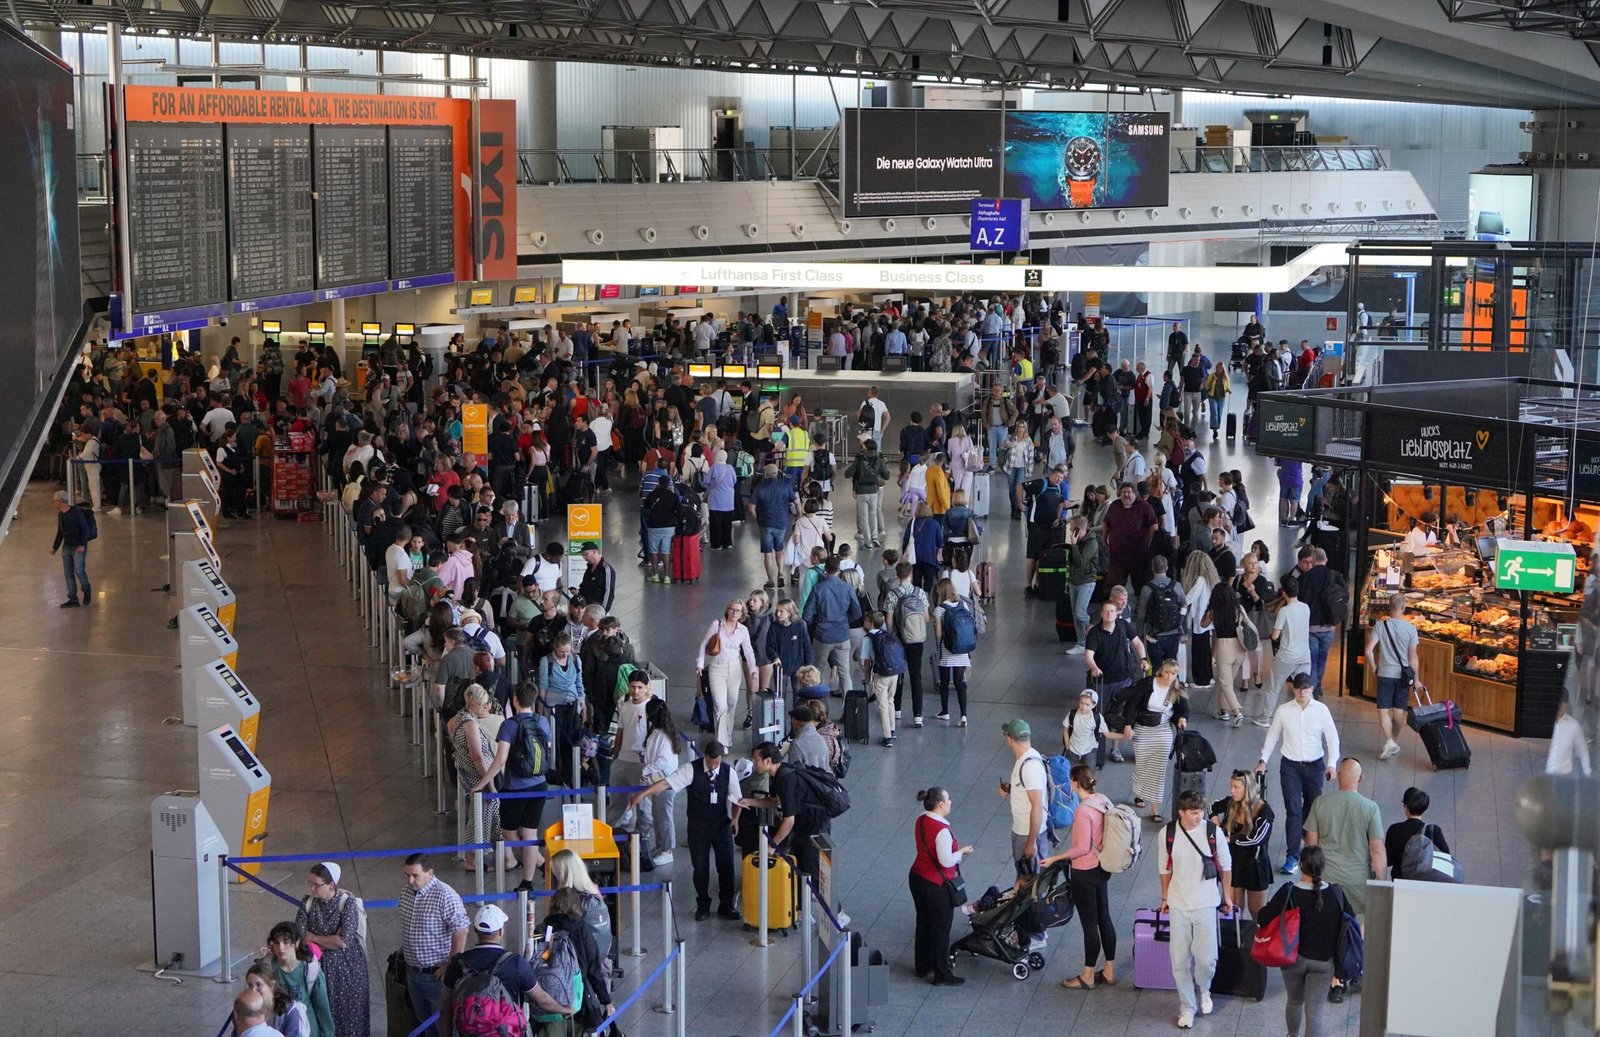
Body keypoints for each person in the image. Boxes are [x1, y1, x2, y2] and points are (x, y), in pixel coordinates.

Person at [632, 738, 743, 921]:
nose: (714, 766)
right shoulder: (691, 769)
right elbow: (667, 783)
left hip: (721, 824)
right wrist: (643, 794)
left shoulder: (728, 772)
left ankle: (726, 905)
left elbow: (737, 799)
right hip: (698, 825)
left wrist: (736, 819)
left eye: (717, 762)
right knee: (700, 867)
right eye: (710, 762)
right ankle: (703, 905)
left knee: (726, 865)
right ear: (705, 756)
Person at [1302, 758, 1384, 1001]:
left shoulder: (1320, 803)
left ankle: (1335, 982)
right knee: (1360, 925)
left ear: (1337, 776)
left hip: (1328, 879)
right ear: (1361, 778)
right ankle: (1356, 968)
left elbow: (1311, 845)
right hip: (1359, 879)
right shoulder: (1370, 808)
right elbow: (1377, 850)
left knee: (1332, 927)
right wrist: (1381, 880)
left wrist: (1308, 878)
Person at [1158, 790, 1234, 1029]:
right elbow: (1164, 868)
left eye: (1200, 811)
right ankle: (1187, 1007)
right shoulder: (1167, 834)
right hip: (1179, 903)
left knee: (1207, 958)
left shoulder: (1213, 832)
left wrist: (1227, 896)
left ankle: (1204, 988)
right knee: (1179, 960)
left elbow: (1226, 864)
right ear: (1181, 812)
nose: (1198, 816)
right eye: (1193, 813)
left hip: (1206, 903)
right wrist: (1165, 897)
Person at [1256, 846, 1349, 1037]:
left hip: (1293, 959)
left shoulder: (1289, 892)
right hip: (1324, 963)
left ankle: (1292, 1035)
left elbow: (1262, 917)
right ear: (1323, 867)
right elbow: (1349, 921)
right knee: (1315, 1014)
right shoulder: (1336, 893)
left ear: (1301, 866)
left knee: (1295, 1001)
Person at [471, 681, 554, 890]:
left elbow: (500, 760)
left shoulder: (509, 725)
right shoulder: (543, 722)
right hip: (539, 785)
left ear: (515, 700)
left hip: (515, 788)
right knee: (530, 835)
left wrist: (481, 783)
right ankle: (530, 879)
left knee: (508, 832)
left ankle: (542, 866)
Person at [1040, 765, 1118, 990]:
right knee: (1104, 918)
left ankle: (1088, 975)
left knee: (1089, 924)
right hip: (1102, 867)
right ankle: (1110, 971)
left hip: (1085, 872)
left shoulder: (1083, 810)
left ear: (1074, 783)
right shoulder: (1102, 800)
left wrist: (1057, 858)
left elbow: (1082, 848)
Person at [1255, 673, 1341, 876]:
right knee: (1293, 810)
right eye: (1299, 688)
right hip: (1290, 766)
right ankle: (1293, 855)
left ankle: (1305, 835)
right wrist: (1263, 760)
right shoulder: (1284, 711)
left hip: (1315, 766)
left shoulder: (1321, 711)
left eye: (1306, 688)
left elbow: (1332, 738)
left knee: (1312, 809)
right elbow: (1273, 735)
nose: (1302, 692)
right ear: (1294, 689)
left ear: (1312, 689)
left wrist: (1331, 764)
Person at [439, 904, 566, 1034]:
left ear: (476, 931)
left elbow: (446, 1009)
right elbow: (542, 1000)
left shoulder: (458, 963)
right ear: (501, 931)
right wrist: (564, 1009)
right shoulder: (516, 963)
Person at [909, 785, 975, 986]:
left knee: (924, 922)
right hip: (935, 885)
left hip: (917, 877)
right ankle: (941, 972)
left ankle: (922, 966)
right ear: (940, 804)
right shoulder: (942, 831)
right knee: (941, 928)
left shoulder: (922, 819)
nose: (950, 802)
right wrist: (962, 851)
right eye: (948, 800)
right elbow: (946, 861)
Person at [294, 863, 369, 1037]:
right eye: (310, 883)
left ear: (331, 885)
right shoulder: (307, 903)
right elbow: (299, 935)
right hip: (316, 967)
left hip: (347, 971)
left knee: (349, 1013)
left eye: (317, 885)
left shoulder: (347, 903)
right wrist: (329, 939)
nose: (312, 888)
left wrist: (312, 936)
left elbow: (343, 941)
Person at [399, 852, 469, 1035]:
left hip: (436, 977)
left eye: (415, 876)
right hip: (413, 972)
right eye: (407, 875)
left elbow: (461, 930)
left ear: (430, 873)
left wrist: (450, 964)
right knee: (424, 1023)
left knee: (443, 1025)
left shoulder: (445, 895)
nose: (410, 881)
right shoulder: (406, 892)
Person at [1115, 657, 1190, 823]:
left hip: (1163, 730)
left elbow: (1183, 709)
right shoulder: (1148, 683)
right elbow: (1132, 704)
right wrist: (1128, 724)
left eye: (1173, 673)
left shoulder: (1176, 690)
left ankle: (1155, 808)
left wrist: (1182, 719)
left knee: (1159, 769)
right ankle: (1139, 793)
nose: (1170, 676)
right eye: (1167, 672)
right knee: (1142, 763)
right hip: (1142, 728)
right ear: (1160, 672)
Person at [748, 740, 830, 882]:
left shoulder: (786, 780)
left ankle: (815, 900)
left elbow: (789, 821)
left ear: (768, 761)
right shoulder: (777, 775)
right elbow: (774, 801)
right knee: (799, 865)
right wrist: (748, 801)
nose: (754, 762)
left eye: (756, 759)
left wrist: (772, 846)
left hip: (814, 825)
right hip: (804, 824)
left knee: (810, 869)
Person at [697, 598, 760, 751]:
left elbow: (748, 651)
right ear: (727, 610)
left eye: (738, 610)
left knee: (731, 703)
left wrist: (753, 668)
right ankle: (721, 743)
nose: (734, 613)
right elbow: (704, 643)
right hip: (717, 668)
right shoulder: (717, 625)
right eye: (732, 609)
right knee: (720, 706)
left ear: (741, 613)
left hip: (734, 669)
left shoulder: (742, 630)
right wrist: (699, 663)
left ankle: (727, 737)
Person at [1210, 771, 1275, 917]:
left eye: (1236, 787)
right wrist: (1215, 820)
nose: (1232, 791)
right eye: (1231, 786)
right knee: (1234, 908)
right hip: (1234, 863)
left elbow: (1258, 838)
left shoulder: (1263, 810)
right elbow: (1211, 806)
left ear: (1248, 788)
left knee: (1257, 911)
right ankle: (1236, 938)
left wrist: (1230, 839)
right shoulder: (1231, 803)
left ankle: (1257, 938)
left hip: (1255, 866)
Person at [1365, 593, 1420, 761]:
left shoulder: (1380, 626)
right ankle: (1393, 741)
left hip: (1385, 674)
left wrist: (1374, 668)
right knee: (1399, 711)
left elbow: (1368, 651)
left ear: (1389, 607)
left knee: (1383, 710)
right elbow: (1412, 658)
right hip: (1403, 676)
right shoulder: (1411, 629)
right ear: (1403, 608)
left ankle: (1390, 741)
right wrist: (1416, 679)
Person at [998, 720, 1049, 898]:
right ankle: (1027, 921)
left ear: (1010, 739)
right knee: (1025, 879)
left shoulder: (1030, 767)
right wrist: (1011, 789)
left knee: (1029, 882)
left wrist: (1031, 842)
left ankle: (1034, 923)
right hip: (1023, 830)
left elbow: (1037, 806)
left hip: (1028, 834)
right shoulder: (1026, 758)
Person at [802, 556, 862, 698]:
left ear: (825, 569)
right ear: (838, 570)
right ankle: (848, 710)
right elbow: (857, 612)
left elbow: (807, 615)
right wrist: (845, 621)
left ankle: (819, 708)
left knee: (819, 671)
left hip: (823, 635)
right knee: (844, 673)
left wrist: (816, 622)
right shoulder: (847, 587)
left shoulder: (819, 588)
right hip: (842, 635)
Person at [264, 922, 334, 1037]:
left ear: (296, 942)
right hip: (278, 1029)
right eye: (276, 943)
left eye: (286, 942)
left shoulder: (310, 969)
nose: (281, 947)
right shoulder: (269, 967)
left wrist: (328, 1034)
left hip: (307, 1030)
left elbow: (322, 1007)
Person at [1262, 573, 1313, 725]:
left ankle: (1265, 717)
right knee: (1304, 687)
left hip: (1287, 656)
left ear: (1283, 592)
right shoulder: (1306, 608)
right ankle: (1307, 716)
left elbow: (1275, 636)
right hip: (1304, 655)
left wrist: (1273, 632)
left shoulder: (1284, 611)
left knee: (1274, 686)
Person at [640, 697, 681, 866]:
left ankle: (667, 850)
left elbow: (663, 761)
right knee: (658, 815)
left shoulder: (663, 736)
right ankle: (660, 846)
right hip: (659, 781)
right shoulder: (659, 732)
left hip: (664, 782)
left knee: (664, 816)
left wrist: (646, 770)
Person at [1084, 599, 1148, 705]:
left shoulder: (1123, 625)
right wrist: (1094, 667)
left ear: (1117, 613)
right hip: (1103, 680)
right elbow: (1088, 655)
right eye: (1106, 611)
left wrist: (1143, 658)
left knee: (1123, 710)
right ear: (1101, 614)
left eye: (1112, 611)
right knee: (1100, 709)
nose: (1109, 613)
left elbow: (1137, 643)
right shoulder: (1094, 633)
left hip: (1124, 677)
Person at [1383, 785, 1451, 880]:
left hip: (1400, 879)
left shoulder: (1394, 830)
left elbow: (1388, 860)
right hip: (1426, 881)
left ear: (1405, 807)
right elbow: (1446, 857)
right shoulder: (1434, 830)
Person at [931, 577, 973, 725]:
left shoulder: (940, 610)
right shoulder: (963, 606)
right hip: (962, 650)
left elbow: (938, 634)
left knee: (944, 682)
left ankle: (945, 711)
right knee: (959, 682)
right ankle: (964, 715)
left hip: (946, 651)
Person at [750, 464, 797, 588]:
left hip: (765, 523)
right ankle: (781, 573)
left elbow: (751, 508)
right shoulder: (785, 487)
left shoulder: (760, 488)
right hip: (781, 523)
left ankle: (770, 581)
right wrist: (799, 516)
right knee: (779, 549)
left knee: (767, 553)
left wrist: (757, 519)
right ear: (777, 473)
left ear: (766, 474)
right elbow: (797, 502)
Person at [1136, 554, 1186, 668]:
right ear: (1167, 568)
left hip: (1152, 635)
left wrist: (1139, 633)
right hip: (1173, 632)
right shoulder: (1176, 586)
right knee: (1172, 666)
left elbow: (1141, 614)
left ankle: (1157, 684)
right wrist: (1182, 627)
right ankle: (1172, 685)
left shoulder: (1147, 588)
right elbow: (1184, 606)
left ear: (1152, 568)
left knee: (1156, 667)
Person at [49, 490, 93, 608]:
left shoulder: (77, 513)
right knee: (68, 574)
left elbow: (85, 530)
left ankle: (87, 589)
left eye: (54, 501)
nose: (53, 503)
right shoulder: (61, 514)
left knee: (79, 571)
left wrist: (82, 545)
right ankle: (73, 598)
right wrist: (55, 547)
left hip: (78, 547)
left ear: (60, 501)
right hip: (67, 547)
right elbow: (60, 532)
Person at [845, 438, 891, 548]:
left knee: (864, 518)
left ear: (866, 447)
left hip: (861, 491)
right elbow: (887, 475)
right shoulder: (879, 459)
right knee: (873, 514)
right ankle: (875, 537)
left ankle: (868, 541)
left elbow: (848, 474)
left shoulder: (859, 459)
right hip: (874, 491)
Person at [242, 962, 307, 1037]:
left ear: (272, 985)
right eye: (250, 986)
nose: (253, 990)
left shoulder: (290, 1013)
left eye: (258, 985)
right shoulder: (246, 1011)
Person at [1062, 688, 1111, 770]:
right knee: (1071, 774)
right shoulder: (1072, 714)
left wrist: (1122, 735)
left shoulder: (1097, 717)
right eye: (1081, 703)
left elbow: (1107, 734)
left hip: (1089, 750)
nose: (1083, 707)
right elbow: (1065, 729)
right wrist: (1067, 746)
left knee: (1089, 775)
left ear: (1093, 705)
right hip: (1073, 750)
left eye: (1087, 705)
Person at [1547, 699, 1594, 776]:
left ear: (1567, 705)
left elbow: (1583, 751)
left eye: (1562, 702)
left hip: (1564, 776)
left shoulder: (1573, 726)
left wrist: (1587, 773)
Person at [576, 541, 617, 612]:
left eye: (586, 554)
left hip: (597, 610)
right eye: (583, 555)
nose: (584, 558)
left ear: (594, 551)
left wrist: (602, 612)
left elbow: (609, 593)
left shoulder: (606, 569)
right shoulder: (589, 568)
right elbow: (585, 586)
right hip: (586, 608)